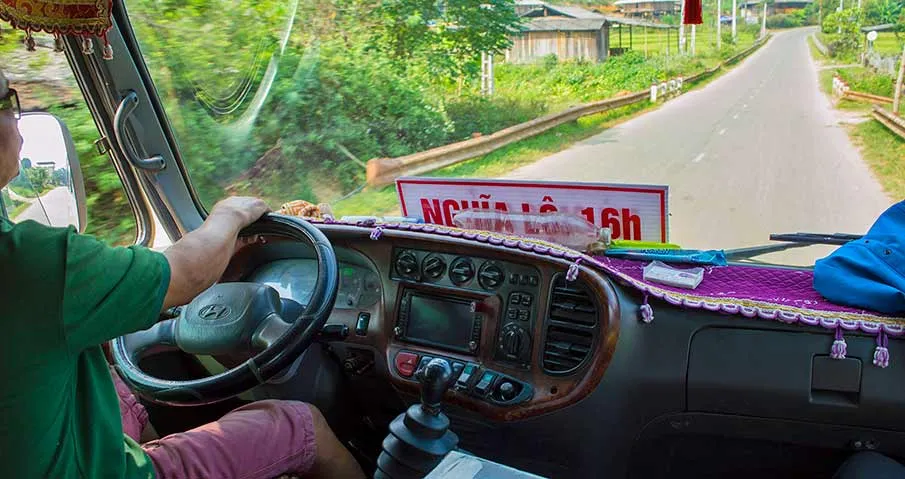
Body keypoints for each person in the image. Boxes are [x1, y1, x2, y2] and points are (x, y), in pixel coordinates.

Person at [0, 69, 365, 478]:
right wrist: (230, 214)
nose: (15, 117)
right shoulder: (30, 259)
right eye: (7, 101)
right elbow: (187, 276)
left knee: (115, 382)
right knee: (304, 427)